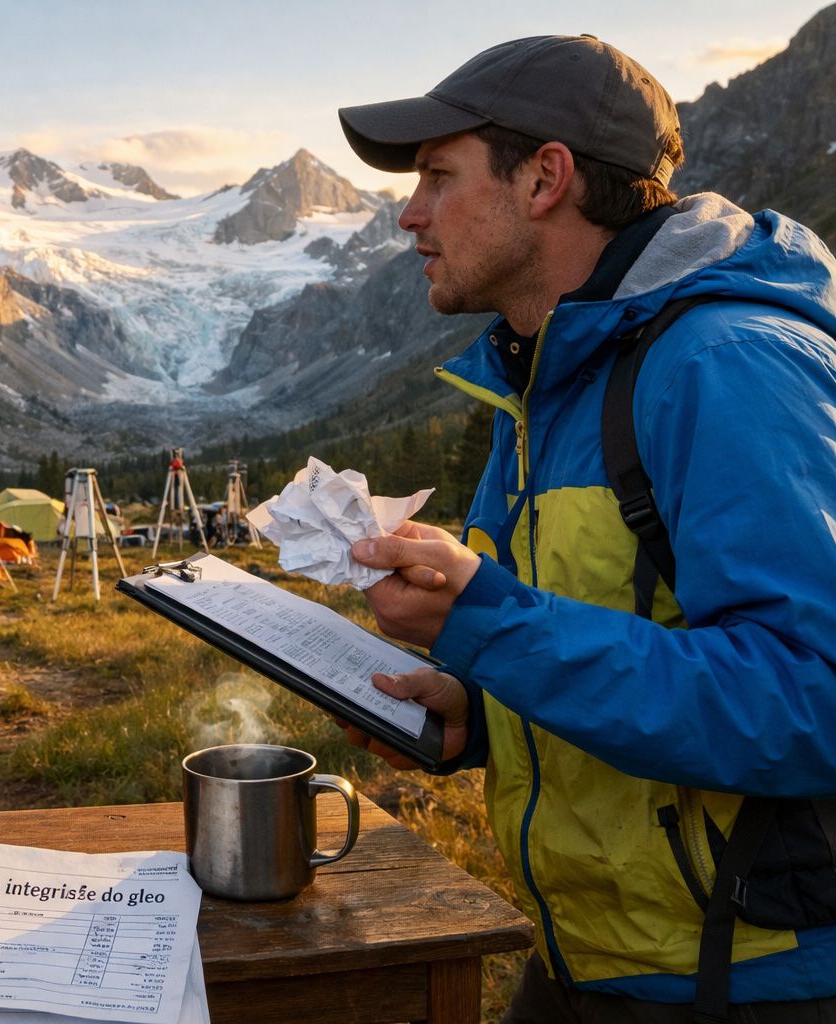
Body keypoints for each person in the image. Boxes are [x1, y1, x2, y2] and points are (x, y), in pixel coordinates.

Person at [334, 34, 836, 1022]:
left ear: (544, 180)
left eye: (438, 176)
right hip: (590, 956)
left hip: (750, 976)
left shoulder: (725, 364)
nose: (409, 212)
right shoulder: (543, 383)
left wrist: (496, 626)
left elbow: (810, 698)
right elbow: (615, 631)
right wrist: (476, 712)